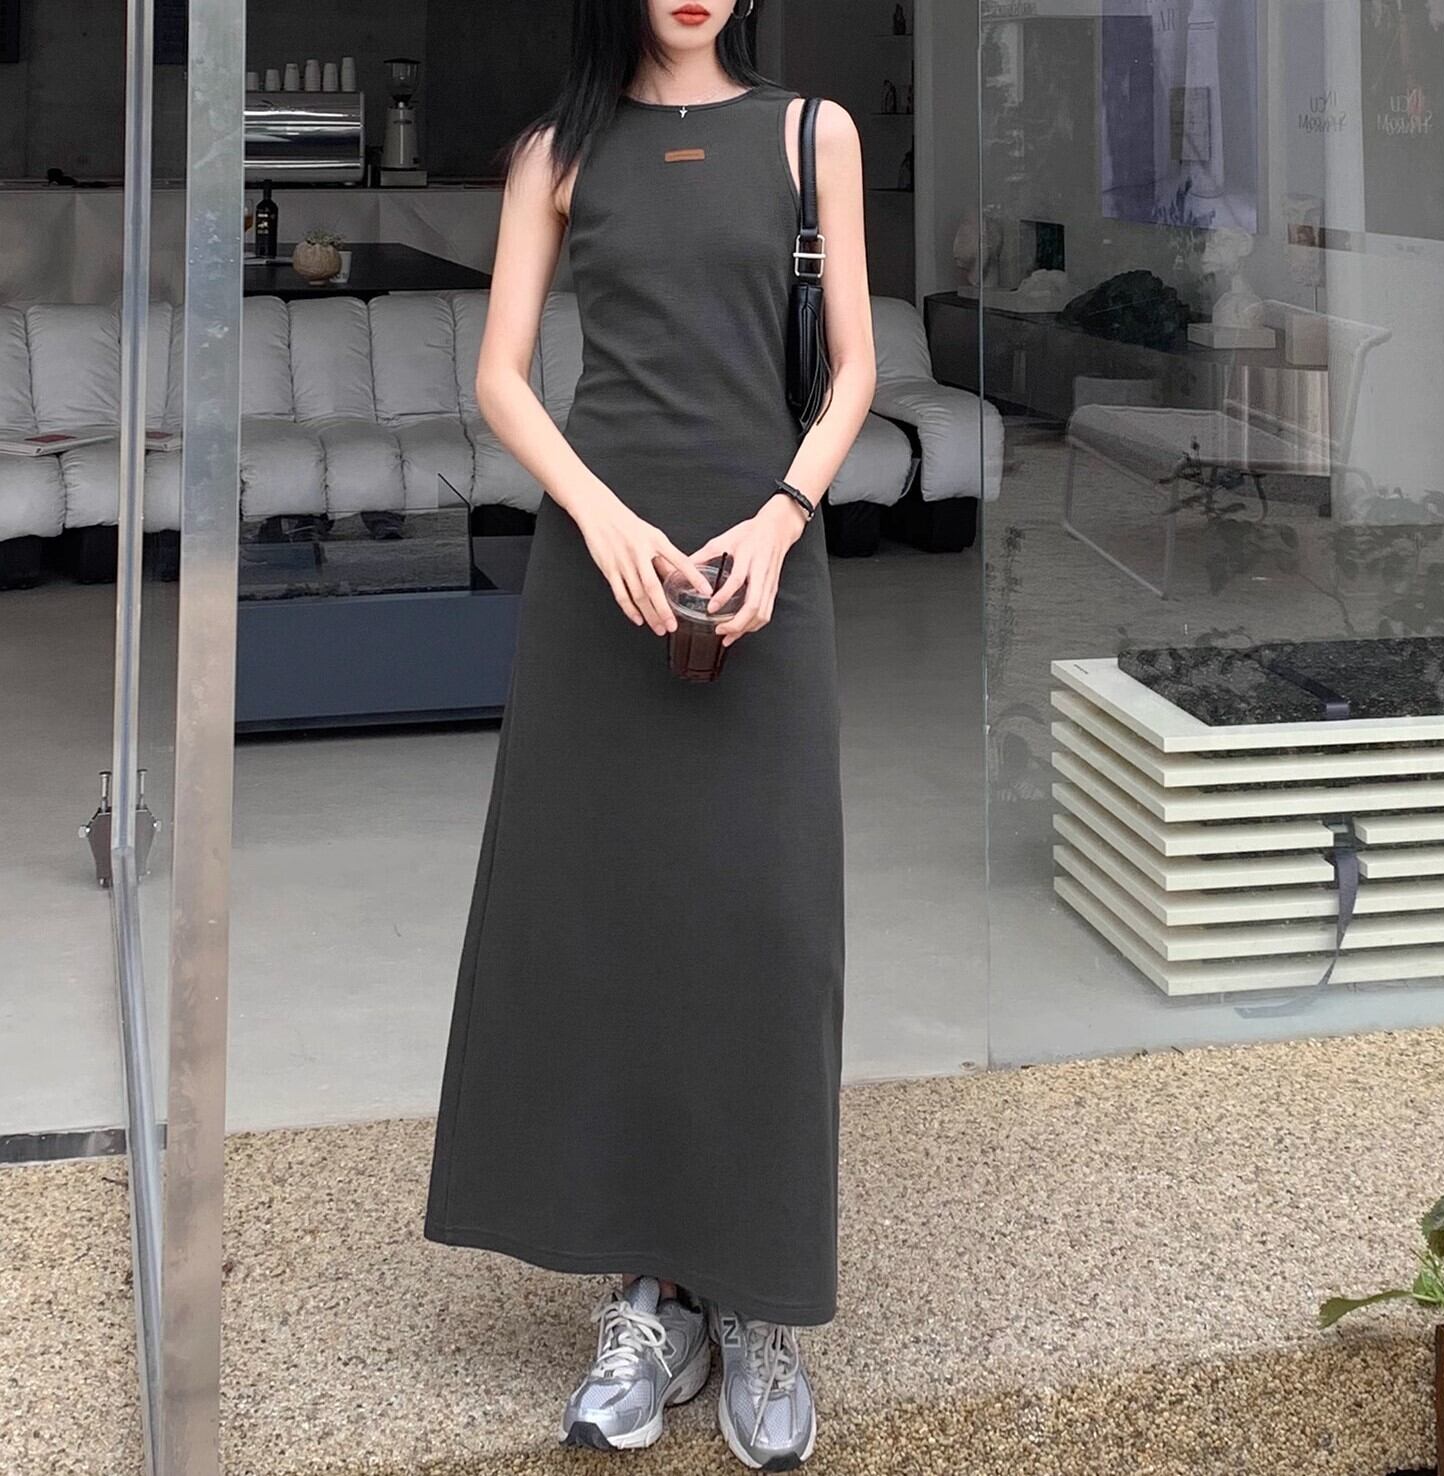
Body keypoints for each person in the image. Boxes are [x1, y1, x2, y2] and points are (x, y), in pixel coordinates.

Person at [422, 1, 874, 1467]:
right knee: (619, 929)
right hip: (600, 578)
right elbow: (501, 376)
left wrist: (782, 519)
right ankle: (653, 1298)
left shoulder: (811, 135)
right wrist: (600, 516)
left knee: (769, 927)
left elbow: (854, 370)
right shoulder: (558, 151)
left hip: (764, 564)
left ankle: (757, 1296)